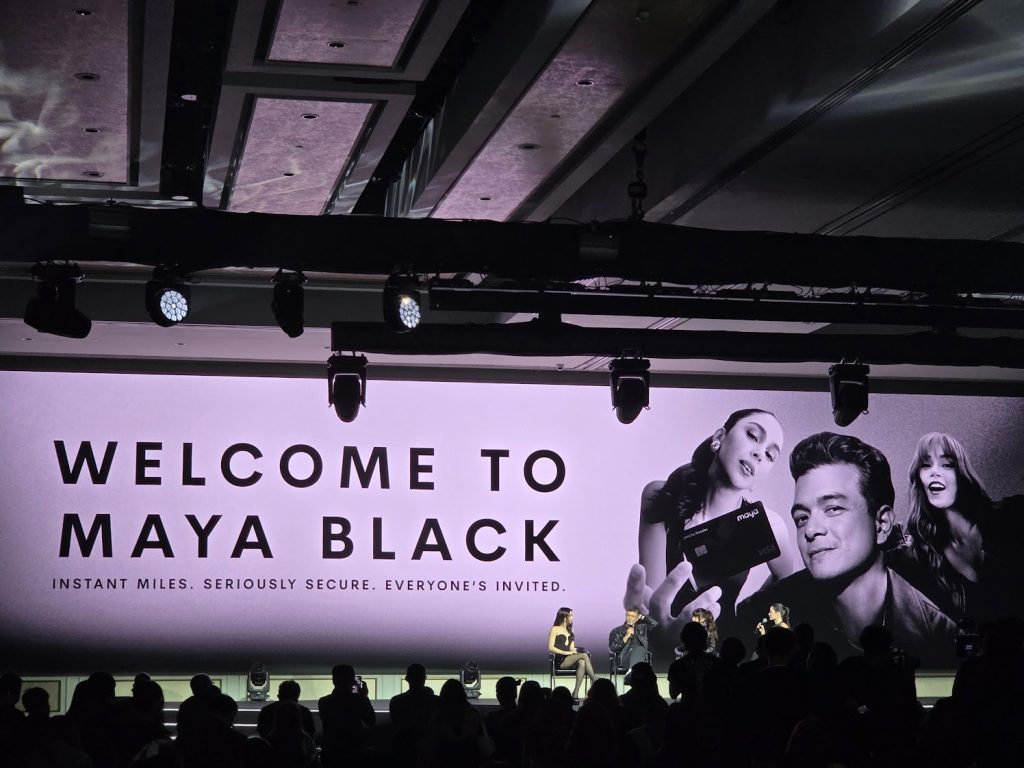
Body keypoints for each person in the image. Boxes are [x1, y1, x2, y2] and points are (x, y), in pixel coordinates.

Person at [737, 432, 957, 664]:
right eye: (802, 517)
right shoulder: (758, 614)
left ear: (882, 524)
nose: (811, 530)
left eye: (833, 508)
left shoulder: (943, 640)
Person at [624, 408, 797, 652]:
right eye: (753, 436)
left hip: (726, 652)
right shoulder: (660, 494)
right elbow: (654, 597)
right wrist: (653, 625)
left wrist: (748, 616)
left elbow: (785, 581)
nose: (759, 454)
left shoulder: (768, 524)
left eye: (770, 455)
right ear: (719, 438)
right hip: (665, 648)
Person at [890, 431, 1024, 624]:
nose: (934, 472)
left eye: (947, 464)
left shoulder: (1009, 517)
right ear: (918, 478)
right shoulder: (917, 556)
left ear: (961, 473)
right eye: (926, 465)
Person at [318, 664, 376, 768]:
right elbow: (371, 720)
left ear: (334, 680)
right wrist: (364, 696)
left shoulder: (324, 701)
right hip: (354, 751)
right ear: (352, 681)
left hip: (331, 752)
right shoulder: (359, 700)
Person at [389, 663, 438, 766]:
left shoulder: (396, 701)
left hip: (403, 747)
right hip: (429, 748)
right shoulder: (436, 701)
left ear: (407, 679)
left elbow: (396, 723)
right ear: (424, 678)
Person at [548, 606, 597, 699]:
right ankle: (595, 681)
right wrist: (566, 653)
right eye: (571, 615)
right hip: (560, 660)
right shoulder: (555, 629)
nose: (572, 617)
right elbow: (551, 648)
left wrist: (573, 651)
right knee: (584, 655)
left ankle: (575, 693)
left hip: (570, 659)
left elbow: (571, 648)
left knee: (582, 662)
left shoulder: (571, 630)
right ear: (564, 617)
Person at [608, 605, 657, 678]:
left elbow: (654, 624)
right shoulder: (617, 631)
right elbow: (613, 648)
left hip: (640, 658)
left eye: (633, 616)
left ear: (637, 618)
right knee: (640, 651)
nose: (630, 618)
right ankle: (634, 671)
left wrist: (643, 617)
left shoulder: (642, 629)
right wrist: (626, 636)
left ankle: (632, 672)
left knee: (640, 649)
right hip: (625, 658)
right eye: (628, 615)